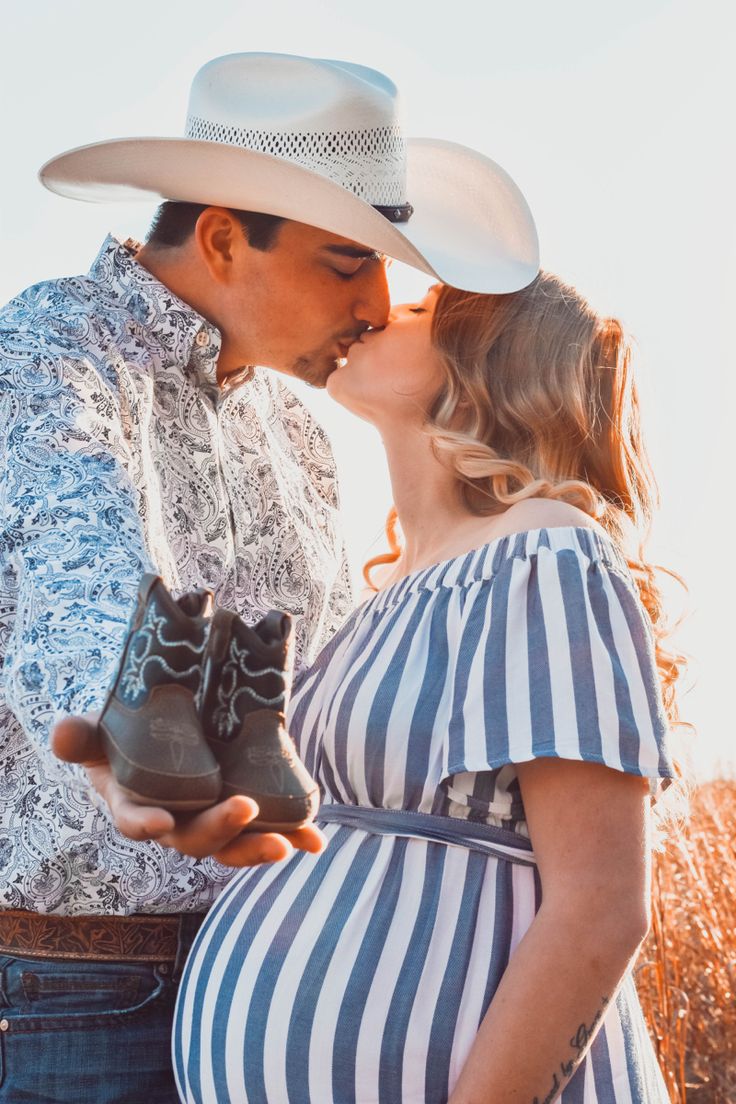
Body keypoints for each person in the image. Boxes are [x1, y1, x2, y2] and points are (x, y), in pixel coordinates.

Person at [0, 52, 539, 1103]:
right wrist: (135, 743)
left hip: (282, 983)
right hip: (90, 993)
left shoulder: (295, 425)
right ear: (219, 238)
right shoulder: (49, 349)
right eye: (348, 261)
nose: (381, 304)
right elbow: (74, 581)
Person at [173, 275, 685, 1104]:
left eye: (413, 311)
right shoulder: (398, 591)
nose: (373, 311)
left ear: (481, 361)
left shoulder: (546, 554)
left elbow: (602, 904)